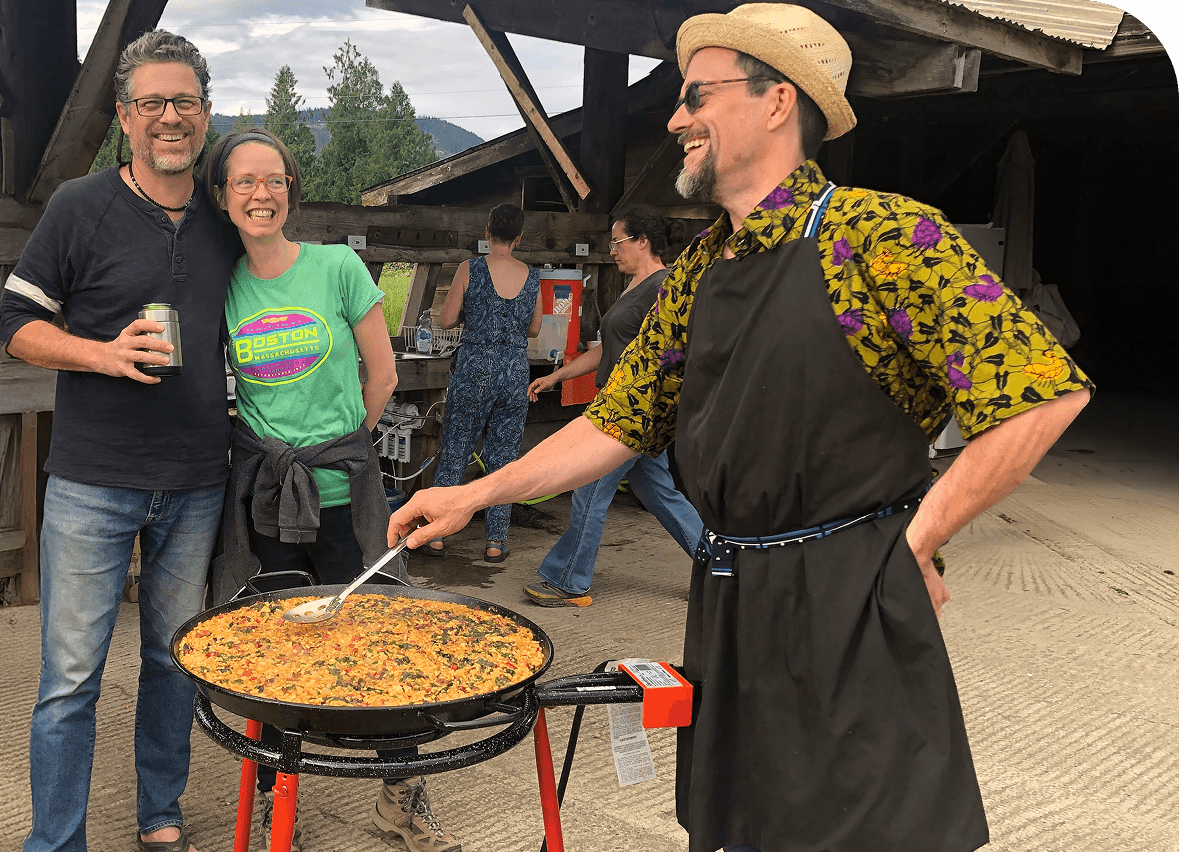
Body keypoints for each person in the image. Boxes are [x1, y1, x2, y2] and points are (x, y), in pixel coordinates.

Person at [389, 5, 1093, 852]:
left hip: (849, 604)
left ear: (776, 102)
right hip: (729, 596)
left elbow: (1041, 394)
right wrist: (475, 492)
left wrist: (912, 544)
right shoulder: (698, 273)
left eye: (697, 95)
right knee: (740, 832)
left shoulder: (883, 235)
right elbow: (616, 423)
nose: (677, 118)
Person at [0, 29, 232, 852]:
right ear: (126, 118)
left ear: (205, 114)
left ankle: (159, 815)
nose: (171, 117)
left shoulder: (227, 213)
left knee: (173, 663)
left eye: (186, 102)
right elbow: (14, 323)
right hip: (93, 479)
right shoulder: (77, 205)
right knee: (68, 680)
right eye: (153, 103)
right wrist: (99, 352)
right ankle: (56, 841)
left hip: (199, 478)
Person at [202, 129, 463, 852]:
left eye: (274, 179)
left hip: (348, 493)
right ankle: (271, 803)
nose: (261, 194)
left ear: (291, 188)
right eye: (244, 182)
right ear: (223, 198)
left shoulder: (337, 266)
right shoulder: (219, 282)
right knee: (270, 647)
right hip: (266, 500)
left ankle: (401, 803)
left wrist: (338, 450)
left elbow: (380, 376)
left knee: (382, 638)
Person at [522, 205, 704, 607]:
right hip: (620, 405)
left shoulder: (664, 287)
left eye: (618, 241)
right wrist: (558, 376)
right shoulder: (634, 286)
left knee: (590, 488)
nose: (612, 250)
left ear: (642, 242)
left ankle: (569, 582)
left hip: (633, 411)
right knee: (659, 493)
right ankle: (722, 571)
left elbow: (677, 352)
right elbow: (608, 351)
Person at [414, 204, 542, 563]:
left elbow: (446, 319)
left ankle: (437, 536)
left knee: (456, 450)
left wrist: (477, 318)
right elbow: (534, 329)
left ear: (487, 233)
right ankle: (495, 542)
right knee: (504, 460)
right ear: (518, 238)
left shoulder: (470, 269)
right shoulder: (532, 276)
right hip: (515, 371)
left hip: (474, 368)